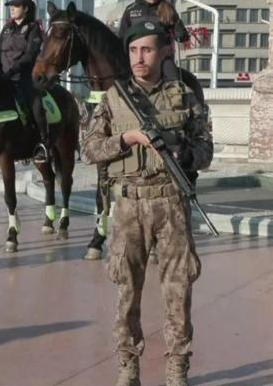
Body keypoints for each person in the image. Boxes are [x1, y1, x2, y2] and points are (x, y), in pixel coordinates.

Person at [81, 21, 213, 386]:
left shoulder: (184, 96)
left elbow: (206, 150)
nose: (140, 58)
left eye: (148, 50)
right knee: (127, 291)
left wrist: (185, 153)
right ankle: (128, 367)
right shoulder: (113, 98)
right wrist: (127, 138)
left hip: (171, 203)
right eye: (134, 50)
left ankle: (177, 369)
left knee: (178, 291)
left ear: (163, 52)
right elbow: (90, 149)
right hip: (128, 207)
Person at [0, 0, 48, 163]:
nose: (12, 9)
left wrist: (13, 70)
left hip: (24, 78)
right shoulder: (7, 28)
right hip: (3, 78)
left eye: (16, 6)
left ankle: (43, 144)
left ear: (25, 8)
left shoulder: (33, 28)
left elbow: (30, 55)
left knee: (37, 107)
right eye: (11, 6)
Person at [118, 0, 189, 82]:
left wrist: (179, 30)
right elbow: (122, 38)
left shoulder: (168, 9)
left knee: (174, 81)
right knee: (117, 80)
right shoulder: (130, 10)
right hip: (136, 58)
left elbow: (183, 37)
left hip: (162, 58)